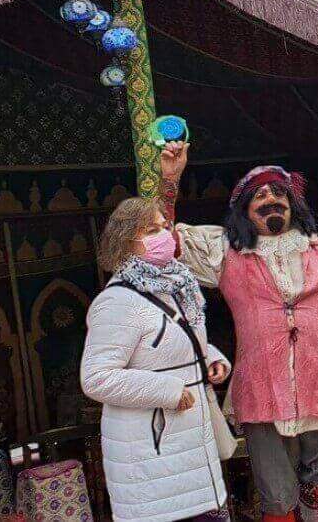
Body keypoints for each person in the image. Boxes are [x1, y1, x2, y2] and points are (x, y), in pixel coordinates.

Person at [161, 142, 318, 522]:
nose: (271, 198)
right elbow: (163, 241)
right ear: (244, 210)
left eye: (279, 193)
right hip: (261, 391)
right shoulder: (224, 252)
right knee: (276, 496)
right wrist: (170, 181)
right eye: (260, 195)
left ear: (293, 204)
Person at [81, 196, 233, 522]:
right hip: (153, 456)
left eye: (164, 227)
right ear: (126, 243)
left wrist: (210, 359)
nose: (164, 235)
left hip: (193, 446)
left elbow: (177, 343)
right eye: (151, 230)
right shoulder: (117, 301)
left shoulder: (174, 285)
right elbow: (97, 376)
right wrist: (169, 390)